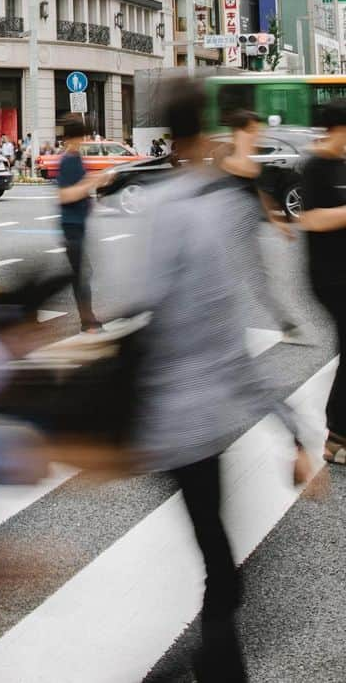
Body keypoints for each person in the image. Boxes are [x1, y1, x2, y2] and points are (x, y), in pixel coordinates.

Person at [134, 79, 315, 683]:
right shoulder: (209, 214)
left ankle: (213, 660)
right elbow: (226, 342)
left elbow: (143, 307)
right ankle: (217, 667)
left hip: (168, 419)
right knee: (220, 559)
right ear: (208, 130)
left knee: (216, 550)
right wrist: (292, 432)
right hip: (196, 421)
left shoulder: (159, 206)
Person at [216, 110, 303, 341]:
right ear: (238, 132)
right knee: (223, 282)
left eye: (258, 129)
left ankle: (285, 325)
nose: (258, 134)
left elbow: (259, 192)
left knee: (257, 279)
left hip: (246, 231)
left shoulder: (253, 160)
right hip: (222, 232)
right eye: (253, 130)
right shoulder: (221, 156)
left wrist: (277, 220)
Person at [298, 99, 346, 465]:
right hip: (330, 277)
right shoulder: (315, 166)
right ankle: (335, 436)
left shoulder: (342, 163)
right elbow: (311, 220)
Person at [56, 115, 107, 333]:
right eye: (77, 138)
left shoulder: (76, 158)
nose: (80, 142)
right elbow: (65, 195)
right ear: (68, 139)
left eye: (82, 137)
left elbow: (80, 190)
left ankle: (88, 318)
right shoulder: (67, 160)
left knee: (84, 273)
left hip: (79, 224)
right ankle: (87, 321)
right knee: (81, 275)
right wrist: (92, 183)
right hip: (71, 226)